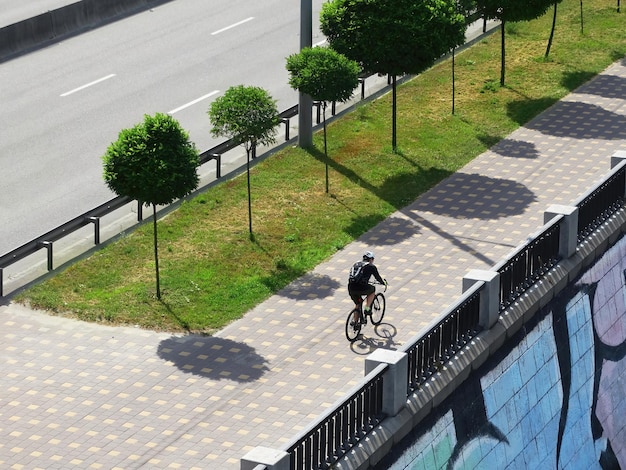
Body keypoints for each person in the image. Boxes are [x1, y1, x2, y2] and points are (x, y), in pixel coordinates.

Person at [348, 251, 386, 325]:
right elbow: (378, 277)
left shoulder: (356, 264)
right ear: (371, 259)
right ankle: (367, 309)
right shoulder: (371, 267)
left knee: (358, 304)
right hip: (361, 288)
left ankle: (355, 322)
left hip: (351, 288)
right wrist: (383, 283)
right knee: (372, 289)